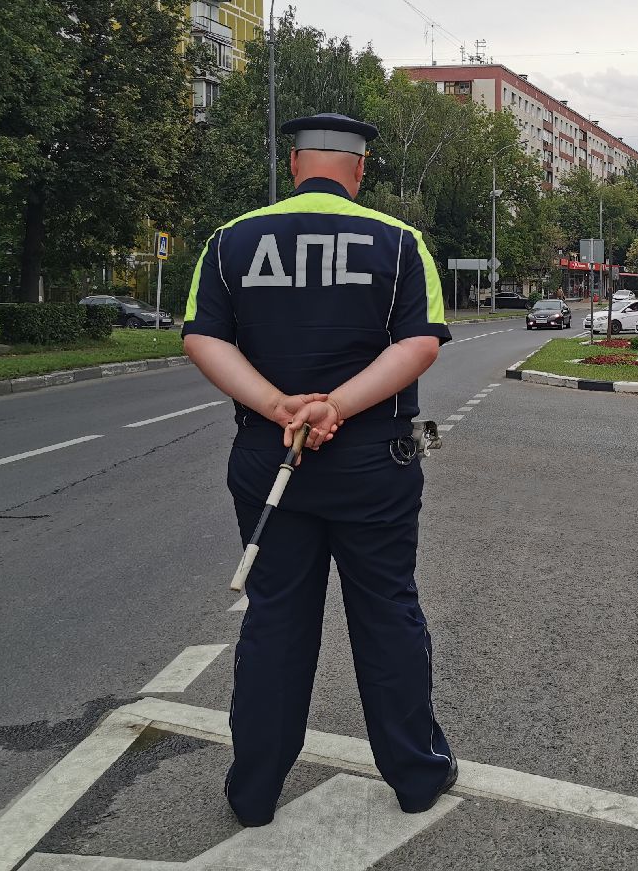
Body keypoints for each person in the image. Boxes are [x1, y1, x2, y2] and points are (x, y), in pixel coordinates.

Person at [182, 112, 456, 826]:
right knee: (387, 611)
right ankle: (415, 775)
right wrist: (335, 406)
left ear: (296, 163)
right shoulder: (399, 243)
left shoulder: (230, 240)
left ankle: (254, 791)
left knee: (276, 619)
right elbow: (420, 343)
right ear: (358, 172)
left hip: (268, 456)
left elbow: (202, 338)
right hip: (374, 459)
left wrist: (283, 407)